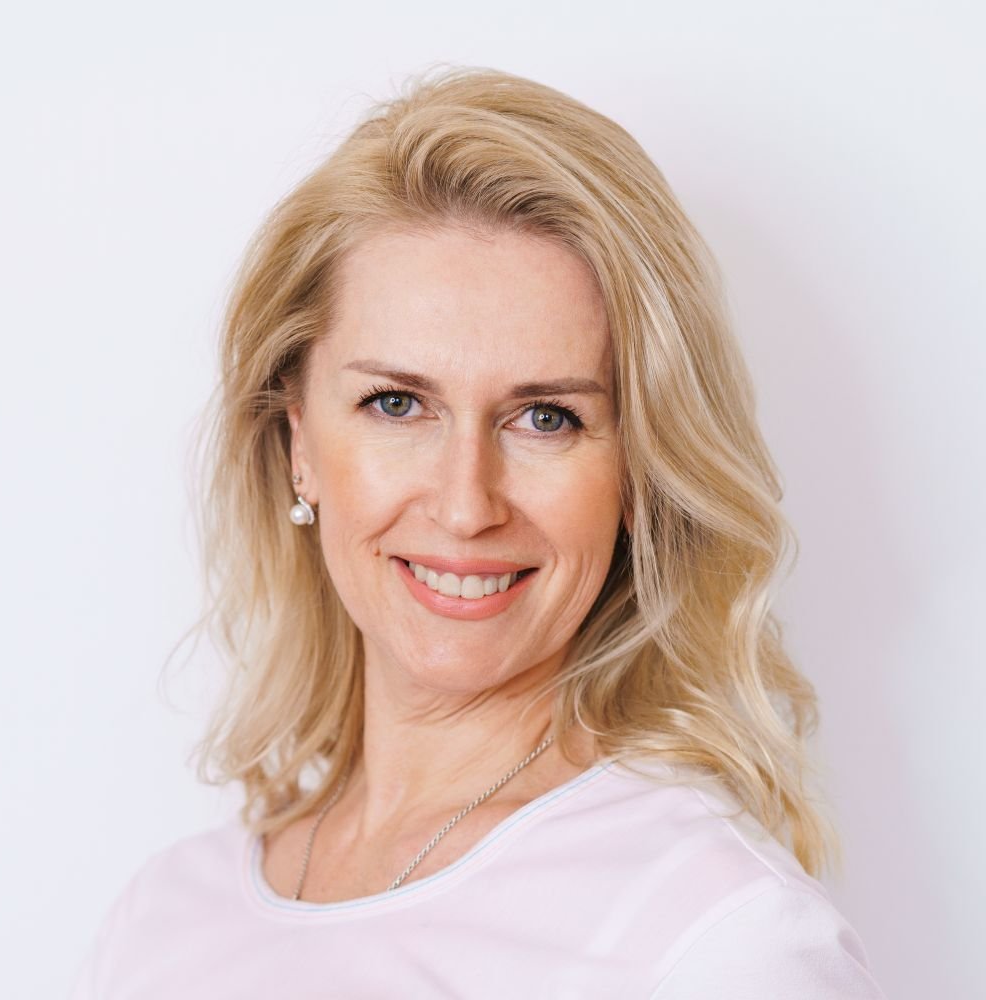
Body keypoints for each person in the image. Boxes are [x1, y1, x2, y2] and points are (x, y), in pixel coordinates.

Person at [70, 67, 885, 998]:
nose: (466, 506)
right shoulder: (164, 917)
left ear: (639, 473)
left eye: (546, 418)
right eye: (396, 403)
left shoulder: (718, 941)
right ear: (298, 444)